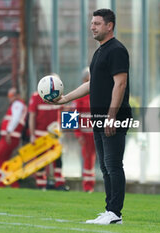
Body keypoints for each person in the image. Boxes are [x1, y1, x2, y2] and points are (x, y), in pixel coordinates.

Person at [52, 9, 132, 225]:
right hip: (100, 117)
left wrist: (111, 115)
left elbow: (120, 83)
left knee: (113, 164)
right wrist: (65, 98)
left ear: (110, 26)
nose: (92, 27)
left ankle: (115, 213)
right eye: (92, 23)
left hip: (112, 117)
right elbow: (92, 84)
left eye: (97, 23)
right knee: (105, 166)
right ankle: (110, 210)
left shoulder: (116, 50)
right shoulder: (99, 52)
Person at [28, 87, 69, 191]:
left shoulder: (59, 97)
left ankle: (59, 183)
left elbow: (64, 113)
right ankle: (41, 185)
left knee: (58, 159)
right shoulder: (36, 97)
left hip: (54, 135)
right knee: (41, 160)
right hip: (40, 134)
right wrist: (32, 135)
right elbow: (32, 116)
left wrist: (64, 132)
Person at [0, 87, 28, 188]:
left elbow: (15, 118)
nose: (10, 98)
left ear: (17, 95)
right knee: (4, 161)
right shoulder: (19, 104)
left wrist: (9, 131)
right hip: (11, 136)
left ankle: (0, 182)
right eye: (9, 96)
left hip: (10, 136)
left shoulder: (17, 104)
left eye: (11, 95)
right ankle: (14, 184)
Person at [72, 67, 96, 193]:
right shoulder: (80, 96)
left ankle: (91, 186)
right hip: (86, 134)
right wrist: (78, 134)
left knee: (98, 160)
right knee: (88, 160)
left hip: (98, 133)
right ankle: (88, 186)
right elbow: (72, 117)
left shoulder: (98, 93)